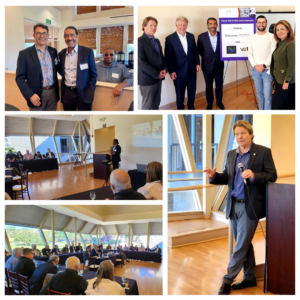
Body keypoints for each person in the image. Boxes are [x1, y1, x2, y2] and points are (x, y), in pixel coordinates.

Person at [204, 120, 277, 295]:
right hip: (233, 204)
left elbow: (272, 175)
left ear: (251, 134)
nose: (240, 136)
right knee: (244, 244)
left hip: (250, 206)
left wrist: (254, 175)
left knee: (241, 244)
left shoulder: (263, 152)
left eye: (243, 133)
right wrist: (214, 176)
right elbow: (227, 177)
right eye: (236, 134)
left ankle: (228, 279)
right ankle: (250, 277)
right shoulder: (231, 154)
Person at [15, 23, 60, 111]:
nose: (41, 36)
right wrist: (30, 95)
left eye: (44, 33)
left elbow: (58, 68)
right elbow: (19, 78)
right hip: (36, 95)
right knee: (37, 120)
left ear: (48, 36)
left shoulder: (53, 51)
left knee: (51, 119)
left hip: (53, 93)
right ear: (34, 35)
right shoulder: (24, 54)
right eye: (38, 33)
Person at [58, 26, 97, 111]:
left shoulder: (87, 52)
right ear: (64, 38)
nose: (69, 38)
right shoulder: (61, 54)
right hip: (67, 93)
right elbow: (61, 70)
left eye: (72, 35)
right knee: (69, 118)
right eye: (67, 36)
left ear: (77, 36)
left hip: (83, 92)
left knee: (84, 117)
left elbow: (93, 74)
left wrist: (89, 91)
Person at [165, 16, 200, 110]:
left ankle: (191, 107)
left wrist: (198, 63)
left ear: (187, 26)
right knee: (180, 93)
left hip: (191, 70)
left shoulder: (191, 36)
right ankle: (180, 109)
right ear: (176, 25)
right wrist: (171, 71)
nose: (182, 27)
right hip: (178, 71)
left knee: (192, 91)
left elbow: (195, 51)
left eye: (184, 25)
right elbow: (168, 57)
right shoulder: (170, 39)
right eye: (180, 24)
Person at [138, 16, 168, 110]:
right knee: (148, 106)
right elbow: (141, 63)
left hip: (158, 78)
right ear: (144, 26)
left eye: (155, 26)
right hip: (147, 80)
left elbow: (161, 57)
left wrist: (165, 69)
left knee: (156, 104)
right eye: (151, 25)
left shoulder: (156, 40)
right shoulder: (140, 41)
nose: (153, 28)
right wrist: (157, 74)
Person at [248, 15, 276, 110]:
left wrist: (264, 65)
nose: (261, 24)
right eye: (259, 22)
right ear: (256, 24)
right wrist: (256, 66)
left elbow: (273, 54)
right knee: (259, 93)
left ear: (266, 24)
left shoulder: (272, 37)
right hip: (256, 71)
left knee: (267, 95)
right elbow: (249, 54)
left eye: (263, 22)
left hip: (267, 71)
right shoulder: (251, 38)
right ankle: (261, 110)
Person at [197, 18, 225, 110]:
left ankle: (219, 101)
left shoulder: (222, 35)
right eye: (210, 24)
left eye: (214, 24)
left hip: (219, 64)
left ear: (217, 25)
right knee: (208, 85)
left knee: (219, 84)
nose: (212, 25)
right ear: (207, 25)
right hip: (207, 65)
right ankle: (209, 103)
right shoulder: (201, 37)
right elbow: (200, 51)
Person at [271, 20, 295, 110]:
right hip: (278, 79)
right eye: (277, 30)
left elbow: (292, 64)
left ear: (288, 30)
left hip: (285, 81)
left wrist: (287, 81)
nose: (279, 32)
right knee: (285, 104)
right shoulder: (279, 44)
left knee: (276, 105)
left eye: (282, 29)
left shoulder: (290, 44)